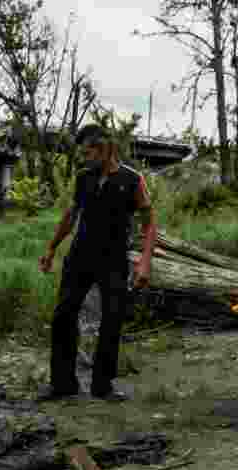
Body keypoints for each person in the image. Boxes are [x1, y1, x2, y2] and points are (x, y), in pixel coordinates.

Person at [38, 124, 157, 402]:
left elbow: (149, 222)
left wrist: (145, 263)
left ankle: (103, 386)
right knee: (63, 316)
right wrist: (51, 248)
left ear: (105, 148)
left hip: (113, 259)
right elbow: (70, 216)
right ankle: (63, 384)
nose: (85, 157)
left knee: (112, 319)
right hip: (80, 255)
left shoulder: (132, 180)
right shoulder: (83, 177)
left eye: (88, 151)